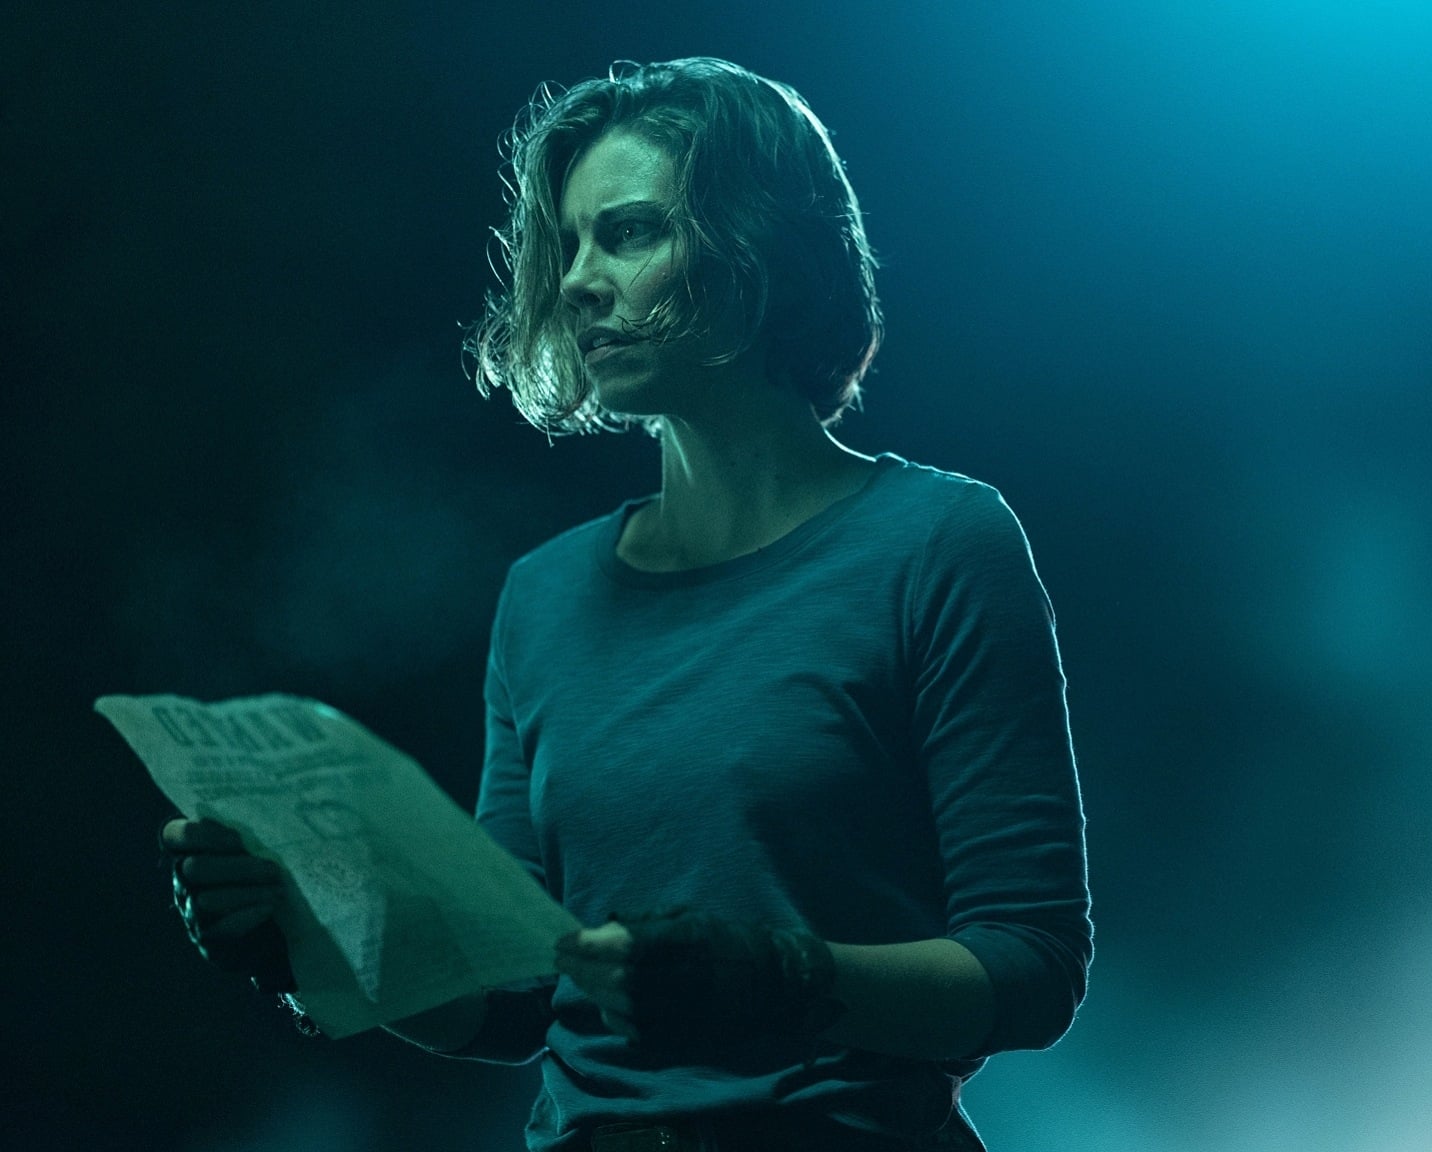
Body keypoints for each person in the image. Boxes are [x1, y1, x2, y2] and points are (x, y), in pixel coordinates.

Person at [158, 57, 1092, 1152]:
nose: (577, 282)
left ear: (760, 248)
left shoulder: (939, 543)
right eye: (569, 245)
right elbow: (512, 996)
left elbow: (1030, 967)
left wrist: (780, 980)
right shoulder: (545, 595)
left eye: (631, 233)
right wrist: (309, 939)